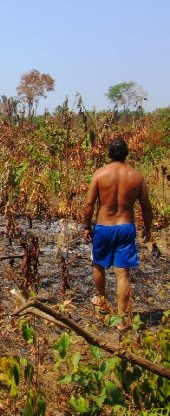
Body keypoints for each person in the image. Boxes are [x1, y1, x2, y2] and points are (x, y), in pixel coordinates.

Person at [83, 137, 153, 329]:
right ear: (126, 154)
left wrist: (87, 226)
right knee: (122, 273)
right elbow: (146, 207)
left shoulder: (100, 174)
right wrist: (148, 229)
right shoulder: (136, 177)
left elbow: (89, 203)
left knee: (98, 263)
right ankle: (122, 320)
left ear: (109, 154)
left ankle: (101, 301)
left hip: (104, 226)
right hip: (125, 227)